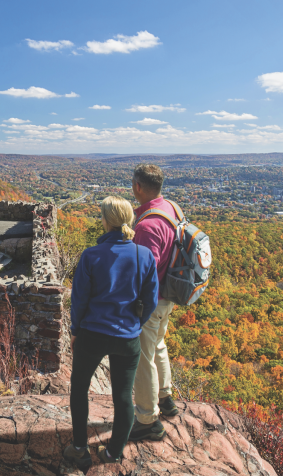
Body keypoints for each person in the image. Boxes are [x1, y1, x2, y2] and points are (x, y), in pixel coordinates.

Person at [64, 196, 160, 469]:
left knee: (79, 389)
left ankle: (80, 448)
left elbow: (79, 300)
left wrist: (75, 330)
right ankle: (113, 453)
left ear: (106, 221)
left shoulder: (92, 255)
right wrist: (136, 325)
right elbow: (151, 300)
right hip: (127, 337)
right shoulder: (144, 256)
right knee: (122, 395)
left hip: (92, 333)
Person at [129, 163, 180, 442]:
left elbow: (143, 273)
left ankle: (148, 420)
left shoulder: (148, 225)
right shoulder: (170, 208)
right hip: (167, 297)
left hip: (151, 302)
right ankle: (166, 398)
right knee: (159, 345)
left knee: (142, 359)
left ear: (138, 187)